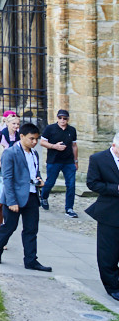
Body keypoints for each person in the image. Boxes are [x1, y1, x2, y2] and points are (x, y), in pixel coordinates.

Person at [0, 121, 52, 271]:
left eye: (36, 139)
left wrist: (39, 180)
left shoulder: (34, 153)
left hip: (31, 195)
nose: (35, 142)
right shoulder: (10, 153)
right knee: (9, 226)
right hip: (15, 196)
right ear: (22, 136)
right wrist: (11, 200)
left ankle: (31, 260)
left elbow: (34, 172)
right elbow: (8, 179)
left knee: (31, 229)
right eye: (32, 139)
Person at [84, 132, 119, 301]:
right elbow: (92, 183)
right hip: (109, 212)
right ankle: (112, 286)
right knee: (108, 252)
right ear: (114, 146)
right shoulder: (98, 159)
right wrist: (116, 189)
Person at [40, 109, 78, 217]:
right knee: (50, 182)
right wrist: (54, 146)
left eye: (64, 118)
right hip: (54, 160)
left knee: (71, 185)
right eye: (60, 118)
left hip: (68, 161)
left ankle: (69, 208)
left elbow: (74, 146)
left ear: (67, 119)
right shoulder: (50, 128)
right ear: (57, 118)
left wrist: (76, 161)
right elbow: (42, 142)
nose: (62, 120)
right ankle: (44, 196)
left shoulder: (72, 130)